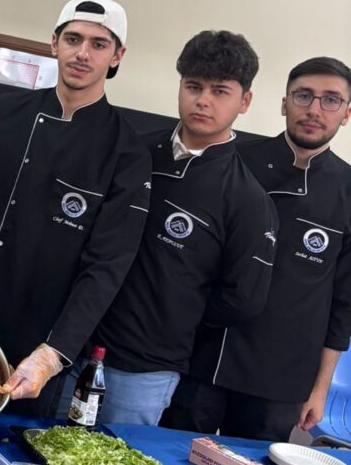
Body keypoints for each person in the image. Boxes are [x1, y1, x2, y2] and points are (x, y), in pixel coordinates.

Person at [0, 0, 151, 417]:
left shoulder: (126, 151)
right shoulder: (6, 114)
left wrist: (54, 353)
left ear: (117, 55)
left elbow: (106, 267)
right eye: (73, 38)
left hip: (36, 356)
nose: (82, 53)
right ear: (54, 43)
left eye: (99, 44)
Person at [89, 31, 277, 425]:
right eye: (194, 86)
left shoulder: (247, 197)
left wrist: (176, 310)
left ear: (245, 102)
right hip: (74, 343)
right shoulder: (133, 151)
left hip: (146, 367)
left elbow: (243, 299)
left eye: (220, 91)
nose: (203, 100)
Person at [163, 57, 351, 441]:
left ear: (347, 113)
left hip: (281, 378)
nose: (314, 109)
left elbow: (344, 305)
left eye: (331, 100)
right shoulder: (235, 161)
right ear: (284, 103)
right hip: (203, 358)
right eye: (303, 96)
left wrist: (319, 388)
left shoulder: (348, 189)